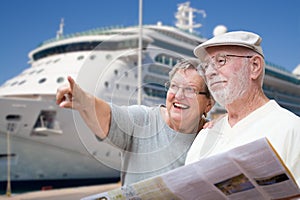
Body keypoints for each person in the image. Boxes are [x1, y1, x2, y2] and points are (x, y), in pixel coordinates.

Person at [56, 58, 215, 185]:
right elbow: (108, 117)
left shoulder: (213, 135)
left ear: (208, 104)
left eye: (190, 90)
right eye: (174, 86)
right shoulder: (143, 120)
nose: (179, 95)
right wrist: (85, 101)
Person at [185, 31, 300, 186]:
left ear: (254, 66)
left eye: (221, 60)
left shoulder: (291, 128)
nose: (210, 72)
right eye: (206, 66)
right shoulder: (205, 135)